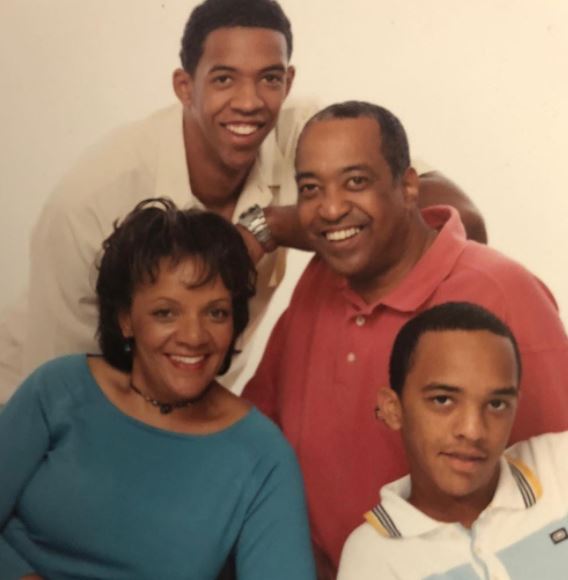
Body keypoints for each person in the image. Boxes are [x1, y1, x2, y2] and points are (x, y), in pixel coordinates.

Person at [0, 0, 485, 403]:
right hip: (40, 409)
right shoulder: (91, 201)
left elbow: (460, 218)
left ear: (288, 83)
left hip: (196, 406)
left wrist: (270, 225)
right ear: (184, 87)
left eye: (269, 79)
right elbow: (57, 392)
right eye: (225, 79)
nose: (250, 102)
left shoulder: (306, 133)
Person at [243, 101, 568, 572]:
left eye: (356, 182)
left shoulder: (501, 291)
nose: (332, 209)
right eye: (311, 188)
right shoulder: (321, 279)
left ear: (409, 186)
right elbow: (260, 426)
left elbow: (553, 484)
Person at [0, 199, 316, 580]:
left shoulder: (262, 456)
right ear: (125, 319)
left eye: (215, 312)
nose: (194, 337)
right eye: (166, 312)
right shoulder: (59, 389)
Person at [338, 302, 568, 580]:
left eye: (496, 404)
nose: (473, 431)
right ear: (392, 409)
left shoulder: (559, 465)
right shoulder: (373, 559)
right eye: (443, 400)